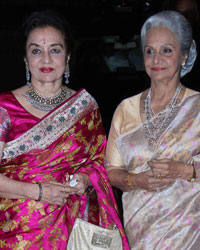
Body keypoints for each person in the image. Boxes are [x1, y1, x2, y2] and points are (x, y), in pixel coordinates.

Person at [0, 10, 129, 250]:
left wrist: (85, 180)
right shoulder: (4, 108)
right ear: (26, 60)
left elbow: (100, 166)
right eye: (36, 51)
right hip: (15, 233)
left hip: (73, 233)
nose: (46, 59)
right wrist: (37, 192)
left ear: (68, 57)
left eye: (55, 50)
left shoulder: (85, 108)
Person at [106, 10, 200, 249]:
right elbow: (111, 171)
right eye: (150, 51)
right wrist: (135, 180)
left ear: (184, 55)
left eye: (166, 50)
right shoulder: (125, 109)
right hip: (139, 232)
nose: (156, 59)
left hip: (188, 234)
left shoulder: (197, 106)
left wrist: (183, 170)